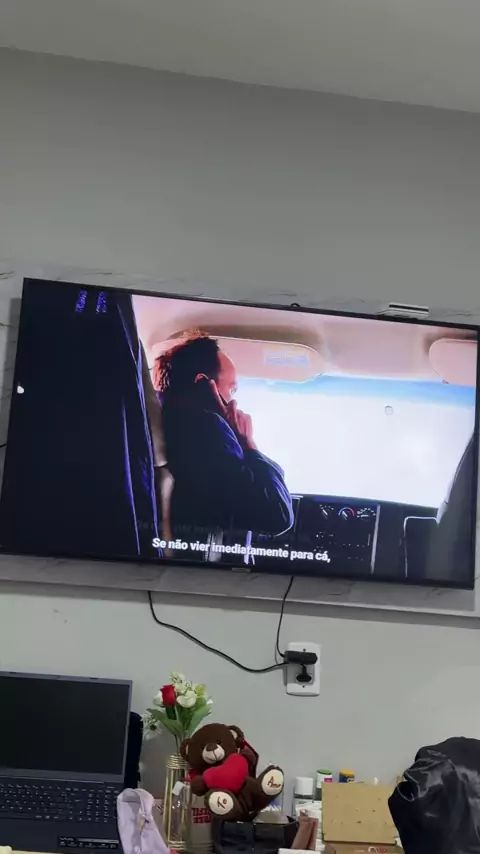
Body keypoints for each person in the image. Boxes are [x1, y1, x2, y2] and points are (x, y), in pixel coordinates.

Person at [152, 331, 294, 539]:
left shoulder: (165, 419)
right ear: (203, 384)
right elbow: (277, 515)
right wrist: (247, 443)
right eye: (231, 389)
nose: (234, 401)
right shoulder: (206, 428)